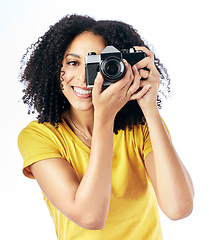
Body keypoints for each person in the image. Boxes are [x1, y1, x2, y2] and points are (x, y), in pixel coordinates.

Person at [18, 14, 194, 240]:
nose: (83, 78)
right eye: (73, 62)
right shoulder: (40, 136)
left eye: (99, 65)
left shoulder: (140, 126)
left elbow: (179, 208)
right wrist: (104, 117)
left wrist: (150, 107)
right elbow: (91, 217)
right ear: (55, 68)